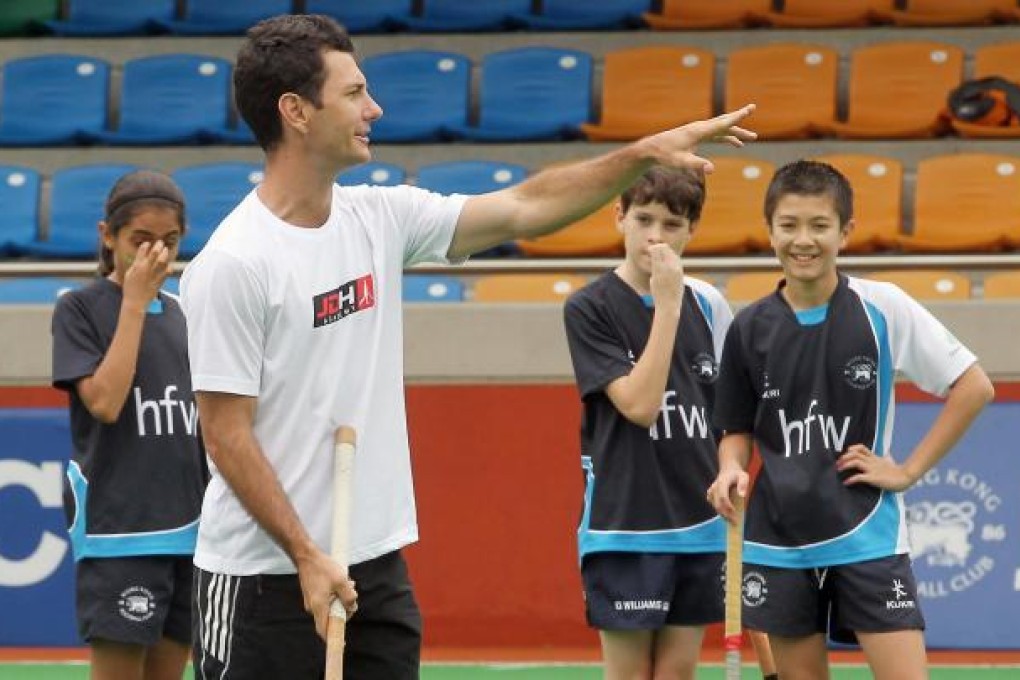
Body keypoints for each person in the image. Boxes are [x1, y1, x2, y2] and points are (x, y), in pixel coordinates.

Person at [179, 13, 756, 680]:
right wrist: (307, 555)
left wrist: (642, 155)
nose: (375, 108)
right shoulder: (234, 263)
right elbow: (225, 436)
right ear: (296, 112)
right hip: (264, 580)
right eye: (353, 93)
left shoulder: (379, 219)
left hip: (375, 567)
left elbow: (522, 208)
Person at [706, 160, 995, 680]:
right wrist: (730, 468)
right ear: (769, 228)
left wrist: (907, 472)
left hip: (869, 536)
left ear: (846, 231)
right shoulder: (749, 328)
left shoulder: (882, 306)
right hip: (779, 541)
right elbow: (735, 431)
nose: (804, 240)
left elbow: (974, 386)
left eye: (820, 225)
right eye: (789, 225)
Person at [562, 167, 777, 680]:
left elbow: (733, 413)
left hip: (701, 524)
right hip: (625, 525)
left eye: (672, 224)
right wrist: (668, 304)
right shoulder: (590, 308)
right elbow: (640, 405)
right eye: (643, 219)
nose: (656, 236)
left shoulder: (711, 305)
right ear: (619, 217)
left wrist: (734, 469)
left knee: (678, 673)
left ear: (692, 230)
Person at [51, 170, 208, 680]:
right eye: (140, 240)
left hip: (190, 534)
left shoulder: (186, 315)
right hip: (121, 535)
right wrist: (136, 303)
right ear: (107, 236)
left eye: (169, 241)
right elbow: (105, 402)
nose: (156, 254)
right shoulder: (79, 308)